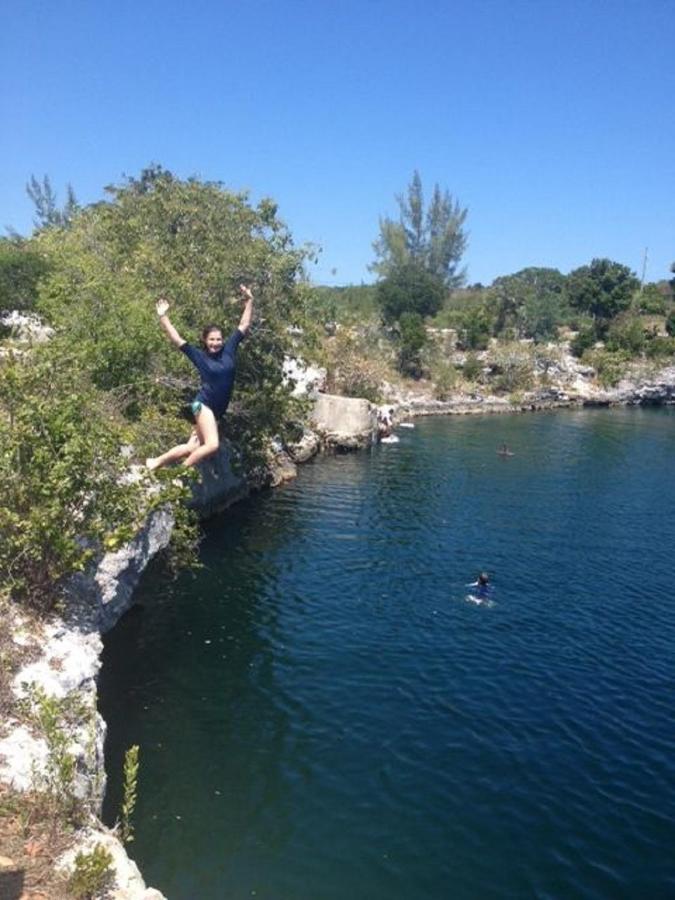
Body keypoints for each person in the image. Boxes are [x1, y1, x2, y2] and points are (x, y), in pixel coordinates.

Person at [146, 284, 254, 471]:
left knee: (193, 447)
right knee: (212, 445)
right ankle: (180, 474)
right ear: (205, 340)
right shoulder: (200, 356)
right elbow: (177, 339)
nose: (216, 343)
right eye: (211, 339)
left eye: (218, 339)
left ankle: (155, 462)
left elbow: (243, 325)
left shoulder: (228, 351)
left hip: (215, 411)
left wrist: (250, 301)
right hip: (203, 405)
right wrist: (163, 316)